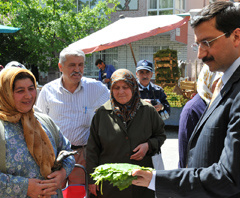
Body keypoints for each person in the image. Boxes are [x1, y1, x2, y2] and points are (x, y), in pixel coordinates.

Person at [132, 2, 240, 197]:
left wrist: (157, 180)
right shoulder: (234, 79)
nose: (200, 54)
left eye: (207, 42)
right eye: (197, 44)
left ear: (236, 36)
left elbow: (229, 177)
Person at [86, 69, 166, 198]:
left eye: (125, 87)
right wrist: (91, 179)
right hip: (110, 184)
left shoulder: (148, 111)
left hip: (141, 182)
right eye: (116, 87)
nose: (121, 92)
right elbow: (92, 149)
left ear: (133, 87)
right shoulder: (102, 114)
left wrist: (148, 145)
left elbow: (160, 136)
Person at [36, 47, 110, 187]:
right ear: (60, 67)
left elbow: (115, 104)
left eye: (80, 65)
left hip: (82, 154)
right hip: (55, 158)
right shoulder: (48, 91)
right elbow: (39, 124)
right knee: (55, 193)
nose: (77, 69)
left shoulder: (96, 88)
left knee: (79, 193)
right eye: (72, 65)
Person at [0, 67, 75, 198]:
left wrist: (62, 173)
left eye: (31, 88)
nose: (28, 96)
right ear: (6, 93)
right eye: (20, 91)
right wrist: (24, 187)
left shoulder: (43, 121)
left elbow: (67, 151)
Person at [178, 65, 222, 168]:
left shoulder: (220, 103)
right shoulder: (192, 109)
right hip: (198, 174)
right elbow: (185, 152)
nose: (221, 85)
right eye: (217, 81)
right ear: (208, 79)